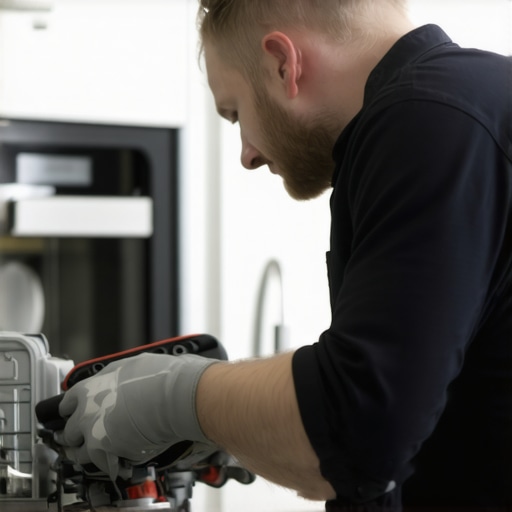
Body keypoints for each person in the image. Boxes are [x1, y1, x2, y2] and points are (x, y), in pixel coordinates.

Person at [55, 0, 512, 510]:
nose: (247, 154)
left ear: (281, 64)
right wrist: (241, 429)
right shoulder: (459, 106)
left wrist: (172, 400)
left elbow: (357, 431)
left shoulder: (430, 120)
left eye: (234, 113)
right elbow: (394, 434)